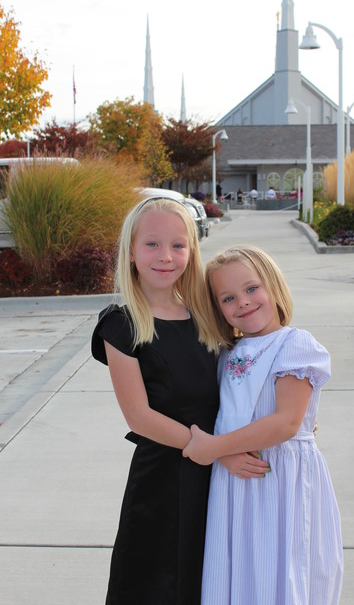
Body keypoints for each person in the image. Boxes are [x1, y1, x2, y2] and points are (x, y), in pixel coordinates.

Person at [91, 199, 267, 604]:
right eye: (152, 244)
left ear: (192, 250)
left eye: (178, 245)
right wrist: (216, 451)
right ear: (131, 252)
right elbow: (139, 416)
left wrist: (291, 414)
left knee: (214, 581)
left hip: (221, 474)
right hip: (164, 480)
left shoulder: (207, 314)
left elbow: (246, 371)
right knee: (157, 584)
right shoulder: (122, 323)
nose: (166, 257)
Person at [183, 245, 343, 605]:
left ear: (273, 285)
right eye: (228, 298)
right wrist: (223, 456)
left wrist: (212, 449)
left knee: (284, 568)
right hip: (232, 481)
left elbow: (286, 422)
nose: (243, 302)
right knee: (239, 569)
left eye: (252, 288)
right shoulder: (225, 355)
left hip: (281, 475)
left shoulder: (294, 345)